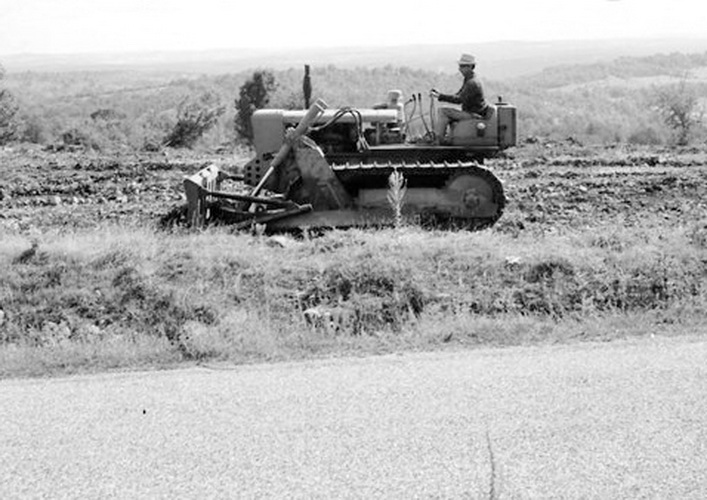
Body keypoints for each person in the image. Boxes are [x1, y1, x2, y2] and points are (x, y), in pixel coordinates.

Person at [429, 54, 491, 143]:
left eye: (462, 66)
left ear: (470, 67)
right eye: (460, 66)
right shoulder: (469, 79)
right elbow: (458, 94)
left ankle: (439, 140)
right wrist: (440, 94)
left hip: (474, 114)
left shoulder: (472, 83)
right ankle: (448, 138)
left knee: (443, 111)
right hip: (472, 112)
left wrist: (440, 96)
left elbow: (459, 100)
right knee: (446, 112)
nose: (459, 69)